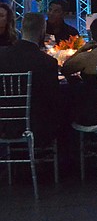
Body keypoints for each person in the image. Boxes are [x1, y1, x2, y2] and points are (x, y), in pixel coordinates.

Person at [0, 13, 60, 146]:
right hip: (36, 125)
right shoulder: (47, 62)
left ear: (21, 29)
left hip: (3, 123)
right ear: (42, 31)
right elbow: (54, 97)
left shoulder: (2, 56)